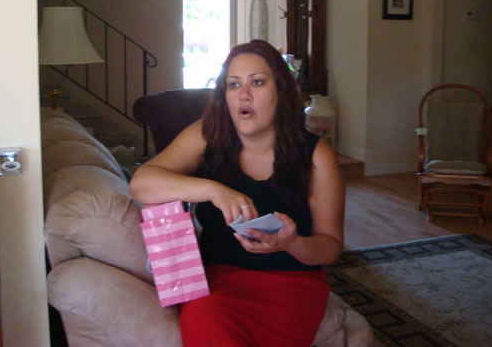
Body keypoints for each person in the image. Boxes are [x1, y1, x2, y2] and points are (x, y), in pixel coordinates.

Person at [130, 39, 345, 347]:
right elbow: (141, 183)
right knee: (208, 322)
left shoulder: (316, 155)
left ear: (281, 90)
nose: (244, 94)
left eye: (257, 82)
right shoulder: (208, 135)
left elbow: (331, 248)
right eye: (233, 84)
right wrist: (213, 190)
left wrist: (292, 243)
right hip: (216, 284)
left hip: (290, 285)